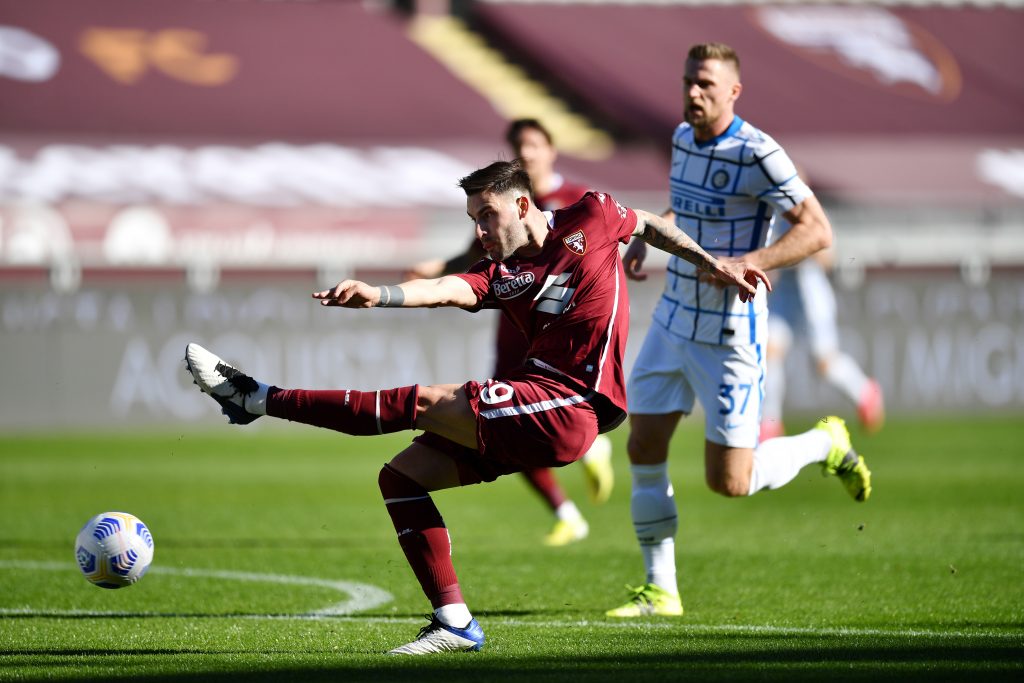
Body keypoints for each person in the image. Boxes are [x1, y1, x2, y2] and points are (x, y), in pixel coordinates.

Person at [185, 159, 766, 654]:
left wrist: (715, 264)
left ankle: (257, 399)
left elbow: (651, 225)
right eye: (473, 219)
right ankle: (454, 622)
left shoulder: (592, 214)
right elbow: (448, 289)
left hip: (571, 405)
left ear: (521, 204)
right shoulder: (503, 276)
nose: (481, 230)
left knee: (424, 401)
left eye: (487, 215)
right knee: (403, 478)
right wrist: (380, 295)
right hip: (536, 404)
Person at [605, 43, 872, 619]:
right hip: (674, 316)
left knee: (731, 481)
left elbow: (818, 230)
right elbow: (685, 210)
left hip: (730, 332)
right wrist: (646, 239)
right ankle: (661, 590)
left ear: (733, 91)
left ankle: (824, 442)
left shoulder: (759, 152)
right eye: (687, 82)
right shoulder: (680, 139)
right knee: (644, 444)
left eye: (705, 83)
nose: (693, 93)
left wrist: (753, 261)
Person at [409, 118, 613, 547]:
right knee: (506, 422)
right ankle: (566, 511)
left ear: (552, 149)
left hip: (561, 331)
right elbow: (475, 253)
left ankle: (589, 450)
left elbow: (609, 245)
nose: (528, 152)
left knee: (520, 420)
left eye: (534, 144)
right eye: (519, 145)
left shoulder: (577, 201)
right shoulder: (495, 203)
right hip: (516, 323)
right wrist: (437, 270)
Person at [760, 244, 885, 440]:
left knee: (825, 364)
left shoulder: (812, 214)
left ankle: (864, 391)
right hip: (784, 290)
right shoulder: (773, 218)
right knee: (769, 354)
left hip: (810, 291)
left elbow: (827, 257)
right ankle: (769, 422)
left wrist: (797, 252)